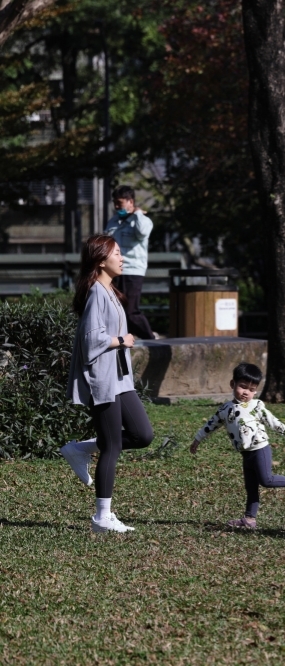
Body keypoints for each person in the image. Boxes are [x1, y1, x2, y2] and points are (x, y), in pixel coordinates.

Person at [64, 235, 154, 533]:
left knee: (142, 434)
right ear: (101, 260)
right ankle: (102, 517)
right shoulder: (96, 294)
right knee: (112, 446)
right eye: (117, 253)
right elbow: (90, 342)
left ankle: (80, 449)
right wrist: (121, 340)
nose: (122, 257)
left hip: (120, 379)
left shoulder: (109, 290)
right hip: (103, 379)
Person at [189, 363, 285, 528]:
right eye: (242, 387)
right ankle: (250, 519)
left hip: (260, 449)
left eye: (251, 389)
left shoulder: (256, 405)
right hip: (245, 454)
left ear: (255, 391)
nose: (246, 392)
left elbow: (270, 420)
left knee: (266, 480)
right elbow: (211, 424)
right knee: (251, 487)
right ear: (232, 384)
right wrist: (197, 440)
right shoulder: (225, 409)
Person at [104, 184, 159, 340]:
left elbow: (142, 233)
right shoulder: (113, 221)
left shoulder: (142, 221)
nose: (116, 207)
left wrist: (138, 214)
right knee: (115, 309)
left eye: (119, 203)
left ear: (130, 202)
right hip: (114, 270)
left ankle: (150, 341)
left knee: (130, 311)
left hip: (132, 271)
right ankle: (123, 339)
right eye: (114, 203)